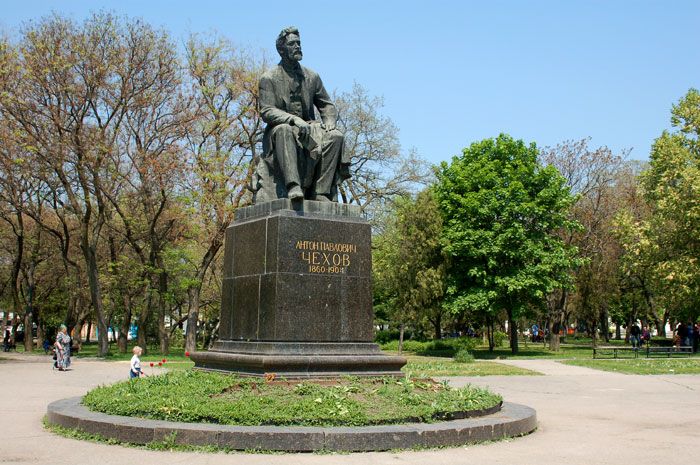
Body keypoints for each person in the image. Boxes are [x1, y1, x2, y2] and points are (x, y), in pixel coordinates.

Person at [253, 26, 350, 203]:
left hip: (309, 127)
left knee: (335, 136)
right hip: (280, 131)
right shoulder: (269, 78)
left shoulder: (311, 76)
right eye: (292, 44)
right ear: (281, 49)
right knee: (284, 130)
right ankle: (293, 186)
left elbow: (327, 105)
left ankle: (321, 191)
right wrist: (293, 119)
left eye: (299, 43)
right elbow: (267, 110)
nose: (297, 46)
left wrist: (329, 121)